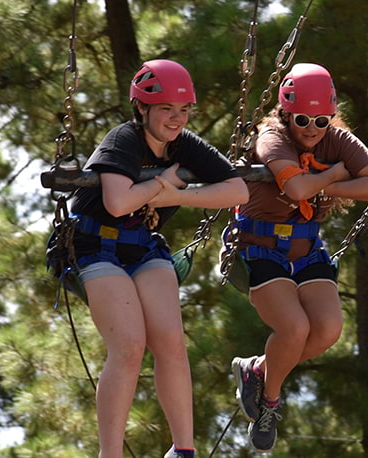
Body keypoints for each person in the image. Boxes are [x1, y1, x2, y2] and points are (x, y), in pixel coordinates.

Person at [65, 59, 248, 458]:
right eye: (166, 109)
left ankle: (184, 450)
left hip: (143, 245)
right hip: (95, 244)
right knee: (130, 345)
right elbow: (117, 203)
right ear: (142, 108)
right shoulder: (123, 140)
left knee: (170, 340)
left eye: (183, 111)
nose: (176, 119)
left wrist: (177, 195)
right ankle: (109, 453)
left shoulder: (185, 144)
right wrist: (163, 183)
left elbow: (238, 191)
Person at [226, 63, 368, 452]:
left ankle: (259, 370)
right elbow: (298, 188)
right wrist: (333, 175)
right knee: (294, 328)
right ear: (286, 113)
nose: (312, 128)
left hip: (305, 250)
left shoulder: (337, 140)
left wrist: (332, 175)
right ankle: (270, 400)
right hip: (259, 248)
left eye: (322, 120)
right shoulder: (271, 138)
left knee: (327, 330)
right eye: (302, 119)